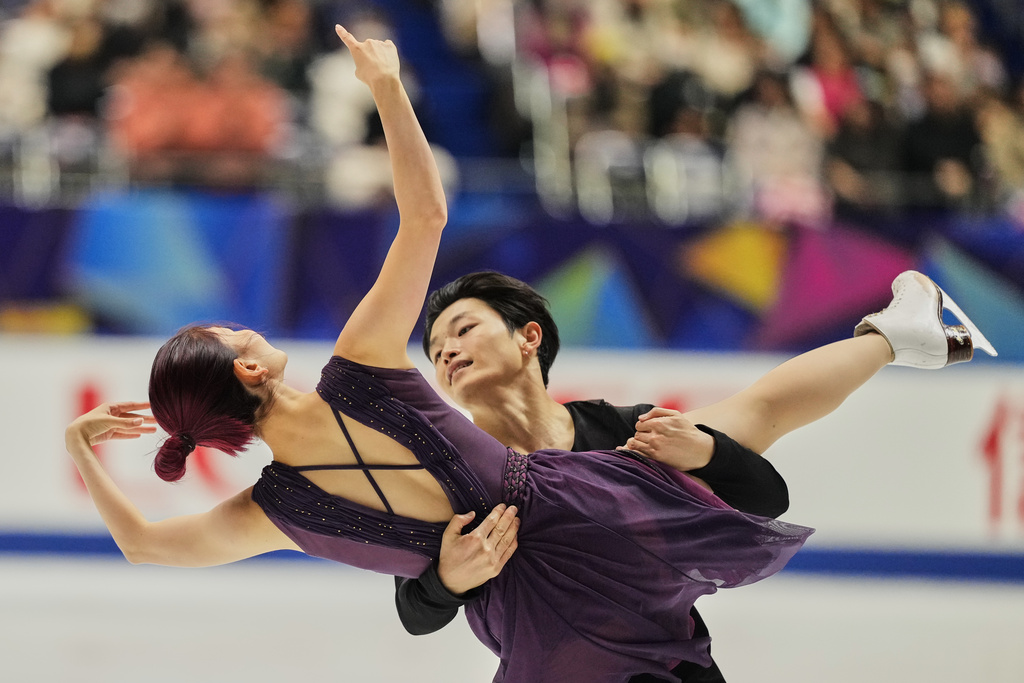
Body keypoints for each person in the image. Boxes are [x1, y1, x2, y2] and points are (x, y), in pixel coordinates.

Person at [65, 27, 995, 683]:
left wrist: (80, 453)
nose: (250, 332)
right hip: (572, 537)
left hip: (541, 622)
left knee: (733, 430)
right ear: (252, 372)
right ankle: (895, 332)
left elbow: (144, 543)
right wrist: (389, 89)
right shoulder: (357, 366)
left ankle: (895, 333)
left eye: (463, 333)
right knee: (735, 428)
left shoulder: (275, 508)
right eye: (238, 339)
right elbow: (425, 213)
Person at [397, 270, 792, 683]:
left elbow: (767, 499)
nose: (446, 352)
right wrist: (449, 581)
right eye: (436, 350)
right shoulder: (447, 476)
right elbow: (414, 614)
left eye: (464, 330)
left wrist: (708, 452)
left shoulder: (626, 432)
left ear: (529, 337)